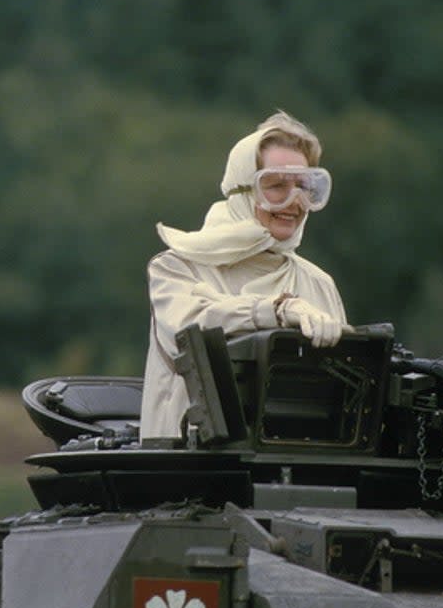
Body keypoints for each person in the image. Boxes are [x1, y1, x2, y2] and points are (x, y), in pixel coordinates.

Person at [139, 110, 347, 442]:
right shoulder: (176, 267)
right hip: (182, 472)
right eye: (276, 186)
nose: (295, 202)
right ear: (242, 191)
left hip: (296, 469)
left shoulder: (319, 284)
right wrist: (277, 310)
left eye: (306, 187)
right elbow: (191, 326)